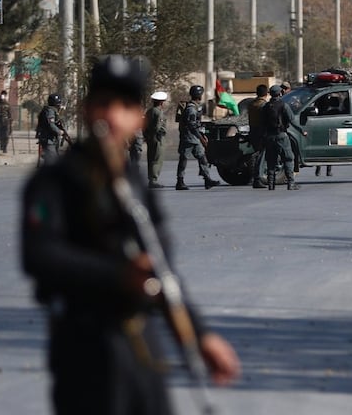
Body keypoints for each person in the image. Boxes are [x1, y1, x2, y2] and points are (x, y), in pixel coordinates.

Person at [21, 55, 241, 415]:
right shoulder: (54, 182)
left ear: (137, 118)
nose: (112, 115)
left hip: (140, 343)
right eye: (103, 103)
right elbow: (40, 256)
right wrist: (119, 275)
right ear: (87, 109)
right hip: (83, 342)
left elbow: (161, 270)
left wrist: (200, 337)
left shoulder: (134, 184)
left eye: (124, 106)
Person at [174, 86, 221, 191]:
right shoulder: (191, 109)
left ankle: (207, 179)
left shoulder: (195, 107)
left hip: (194, 138)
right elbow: (192, 125)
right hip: (188, 138)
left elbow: (197, 124)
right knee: (184, 159)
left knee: (202, 158)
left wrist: (202, 135)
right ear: (199, 95)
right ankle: (180, 181)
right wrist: (201, 138)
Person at [262, 84, 306, 191]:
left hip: (269, 137)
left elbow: (262, 123)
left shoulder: (266, 107)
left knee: (271, 161)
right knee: (288, 158)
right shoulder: (283, 105)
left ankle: (271, 185)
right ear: (280, 93)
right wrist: (302, 131)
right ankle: (291, 183)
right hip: (281, 136)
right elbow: (292, 120)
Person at [37, 93, 71, 166]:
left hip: (51, 139)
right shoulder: (50, 111)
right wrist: (59, 132)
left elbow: (57, 123)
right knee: (52, 159)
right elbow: (51, 124)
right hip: (48, 139)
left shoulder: (53, 111)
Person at [143, 91, 168, 189]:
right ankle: (153, 180)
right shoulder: (159, 112)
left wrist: (147, 135)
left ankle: (151, 179)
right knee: (157, 159)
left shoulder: (149, 111)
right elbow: (158, 126)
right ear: (161, 103)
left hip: (150, 138)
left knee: (151, 158)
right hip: (158, 138)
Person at [247, 84, 270, 188]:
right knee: (260, 156)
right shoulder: (264, 105)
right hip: (262, 132)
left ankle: (254, 177)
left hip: (253, 131)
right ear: (266, 94)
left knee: (256, 154)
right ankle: (257, 178)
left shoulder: (251, 104)